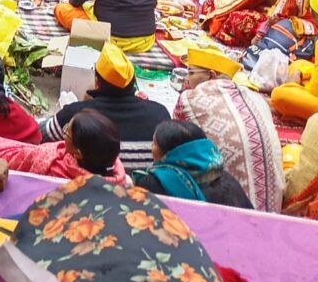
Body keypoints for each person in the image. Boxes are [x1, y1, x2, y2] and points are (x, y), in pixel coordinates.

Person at [174, 47, 284, 211]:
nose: (186, 79)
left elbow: (171, 139)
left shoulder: (189, 99)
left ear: (211, 75)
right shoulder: (256, 98)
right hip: (272, 206)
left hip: (227, 207)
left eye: (190, 73)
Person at [42, 43, 169, 171]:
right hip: (144, 182)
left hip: (85, 181)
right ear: (133, 83)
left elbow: (39, 135)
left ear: (97, 82)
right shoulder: (160, 115)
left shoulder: (75, 116)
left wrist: (84, 102)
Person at [0, 104, 126, 184]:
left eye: (67, 133)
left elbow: (8, 157)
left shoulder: (53, 174)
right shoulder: (119, 178)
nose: (62, 139)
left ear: (78, 153)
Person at [134, 121, 252, 208]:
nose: (151, 147)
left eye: (154, 143)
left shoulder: (154, 183)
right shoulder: (226, 179)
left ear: (170, 153)